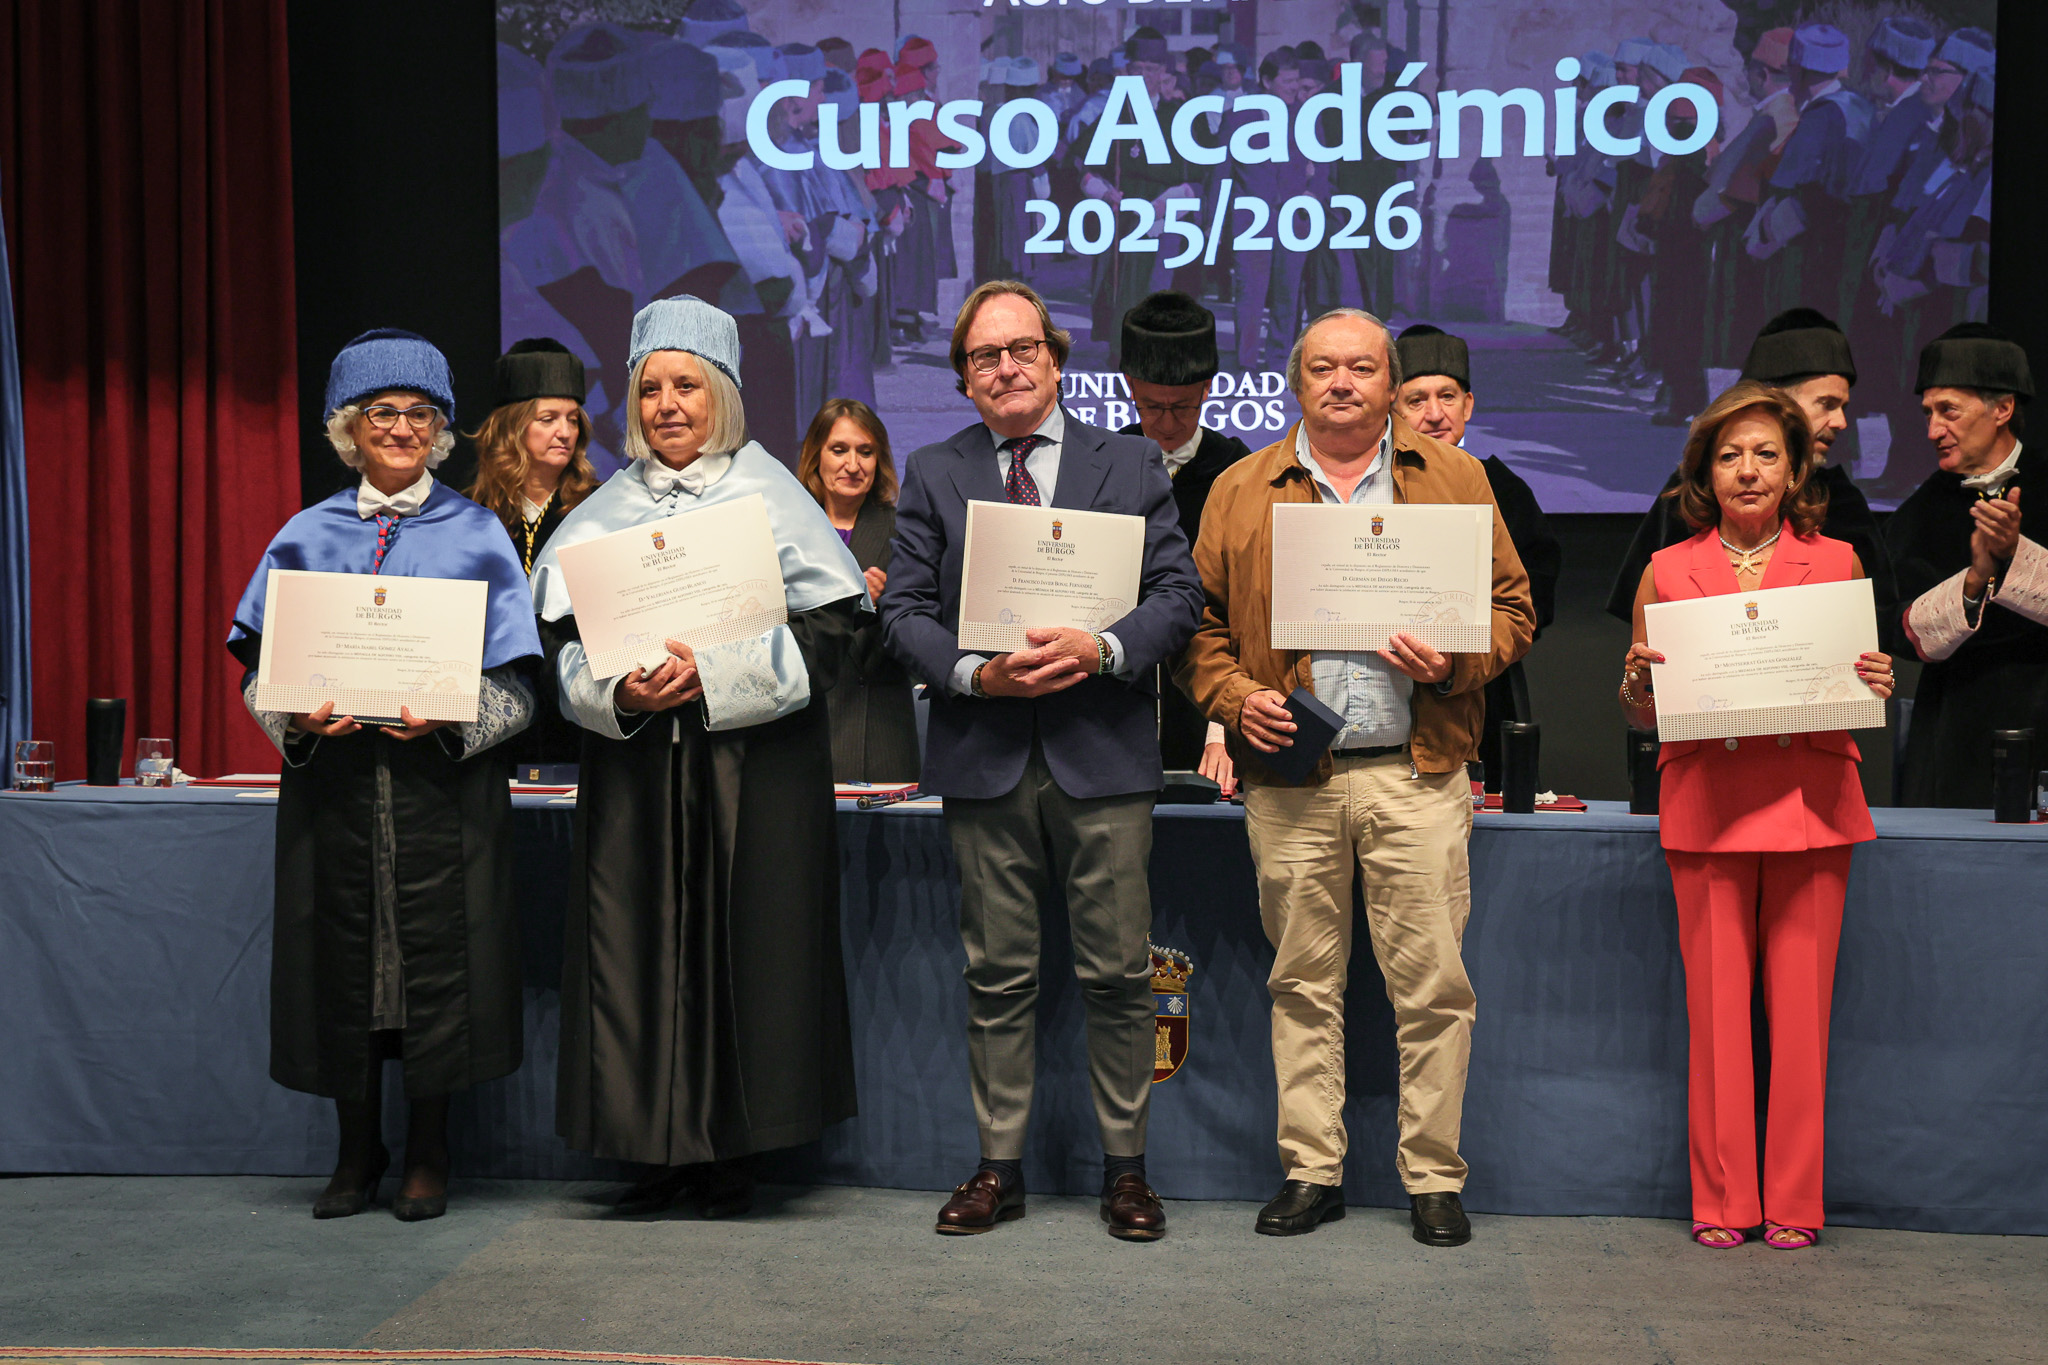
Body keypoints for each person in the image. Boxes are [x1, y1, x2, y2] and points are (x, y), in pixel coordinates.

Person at [1176, 309, 1536, 1246]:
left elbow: (1514, 609)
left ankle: (1433, 1176)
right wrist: (1232, 696)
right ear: (1296, 379)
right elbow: (1198, 626)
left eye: (1363, 368)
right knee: (1302, 981)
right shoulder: (1239, 487)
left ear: (1390, 381)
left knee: (1433, 987)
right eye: (1324, 367)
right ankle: (1311, 1169)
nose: (1343, 382)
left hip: (1417, 773)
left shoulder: (1457, 478)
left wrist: (1454, 664)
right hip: (1293, 775)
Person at [878, 280, 1204, 1241]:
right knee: (998, 976)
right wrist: (978, 675)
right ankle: (997, 1167)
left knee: (1116, 974)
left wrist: (1103, 649)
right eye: (985, 357)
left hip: (1102, 751)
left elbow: (1178, 594)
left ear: (1056, 359)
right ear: (966, 380)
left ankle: (1127, 1171)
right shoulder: (936, 470)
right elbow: (901, 613)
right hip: (984, 752)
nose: (1008, 367)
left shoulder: (1132, 460)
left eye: (1023, 349)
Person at [530, 296, 870, 1218]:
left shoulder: (772, 495)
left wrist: (714, 671)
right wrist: (621, 695)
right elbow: (559, 648)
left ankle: (733, 1154)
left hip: (752, 774)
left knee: (749, 947)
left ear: (721, 391)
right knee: (637, 950)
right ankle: (654, 1150)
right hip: (638, 776)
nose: (667, 405)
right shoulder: (599, 512)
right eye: (649, 388)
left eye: (687, 385)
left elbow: (832, 633)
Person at [226, 330, 542, 1221]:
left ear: (441, 431)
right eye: (381, 413)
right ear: (348, 429)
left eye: (419, 414)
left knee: (433, 966)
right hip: (336, 789)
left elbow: (518, 688)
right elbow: (258, 672)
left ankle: (429, 1149)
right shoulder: (305, 533)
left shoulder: (478, 534)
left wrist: (453, 720)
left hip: (441, 792)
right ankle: (354, 1149)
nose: (401, 429)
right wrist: (294, 716)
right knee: (346, 963)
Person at [1618, 381, 1895, 1249]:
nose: (1747, 470)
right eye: (1729, 454)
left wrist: (1874, 682)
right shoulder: (1666, 568)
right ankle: (1726, 1199)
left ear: (1796, 466)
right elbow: (1643, 712)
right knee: (1718, 1012)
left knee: (1802, 1016)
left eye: (1766, 453)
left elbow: (1851, 685)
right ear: (1704, 468)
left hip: (1811, 802)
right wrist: (1635, 690)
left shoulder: (1841, 560)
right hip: (1707, 804)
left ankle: (1794, 1203)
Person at [1606, 309, 1896, 646]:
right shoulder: (1693, 492)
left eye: (1843, 406)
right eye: (1826, 404)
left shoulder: (1843, 501)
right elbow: (1653, 626)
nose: (1841, 422)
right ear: (1776, 398)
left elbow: (1868, 629)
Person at [1392, 325, 1562, 792]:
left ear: (1468, 404)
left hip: (1484, 685)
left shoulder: (1503, 488)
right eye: (1416, 399)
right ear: (1392, 409)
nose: (1435, 414)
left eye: (1447, 396)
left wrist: (1464, 644)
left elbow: (1533, 596)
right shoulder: (1374, 489)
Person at [1888, 324, 2048, 807]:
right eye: (1928, 413)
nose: (1933, 430)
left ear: (2002, 409)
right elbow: (1897, 628)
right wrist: (1977, 578)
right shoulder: (1917, 514)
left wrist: (2014, 557)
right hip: (1952, 731)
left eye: (1948, 411)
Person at [1115, 292, 1251, 786]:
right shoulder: (1105, 465)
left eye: (1183, 407)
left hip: (1214, 703)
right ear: (1130, 387)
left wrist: (1222, 721)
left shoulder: (1239, 472)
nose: (1168, 424)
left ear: (1207, 390)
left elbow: (1248, 609)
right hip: (1120, 695)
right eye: (1152, 406)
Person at [464, 338, 600, 773]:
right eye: (548, 419)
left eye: (572, 419)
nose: (565, 431)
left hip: (579, 717)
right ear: (512, 427)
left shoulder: (600, 512)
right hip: (493, 720)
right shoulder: (471, 518)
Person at [797, 398, 920, 782]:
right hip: (800, 729)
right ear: (816, 455)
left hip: (880, 732)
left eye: (865, 452)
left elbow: (925, 634)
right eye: (839, 450)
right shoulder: (786, 530)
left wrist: (885, 603)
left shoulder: (908, 531)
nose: (853, 465)